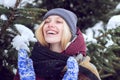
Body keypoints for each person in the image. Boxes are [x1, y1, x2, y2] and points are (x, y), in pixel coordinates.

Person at [14, 8, 101, 80]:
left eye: (58, 22)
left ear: (70, 31)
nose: (50, 25)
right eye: (47, 22)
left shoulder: (84, 70)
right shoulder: (28, 65)